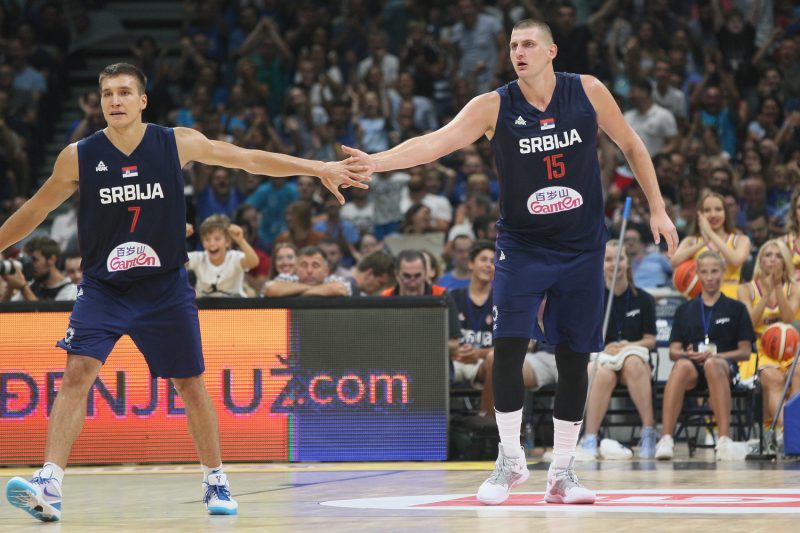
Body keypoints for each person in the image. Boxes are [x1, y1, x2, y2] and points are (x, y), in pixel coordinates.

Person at [0, 62, 368, 522]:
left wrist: (317, 167)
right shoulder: (79, 156)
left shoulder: (176, 143)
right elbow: (36, 209)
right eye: (107, 94)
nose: (115, 101)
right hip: (104, 288)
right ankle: (49, 482)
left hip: (164, 287)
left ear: (142, 101)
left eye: (124, 92)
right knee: (76, 372)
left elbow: (249, 158)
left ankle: (215, 479)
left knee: (189, 384)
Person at [344, 19, 678, 505]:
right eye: (513, 45)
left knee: (573, 357)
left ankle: (562, 472)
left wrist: (658, 208)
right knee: (507, 348)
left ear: (551, 51)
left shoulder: (587, 91)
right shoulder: (494, 105)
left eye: (528, 44)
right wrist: (377, 161)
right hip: (522, 245)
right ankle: (510, 459)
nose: (519, 52)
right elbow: (436, 141)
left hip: (582, 245)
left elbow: (631, 143)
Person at [656, 251, 755, 461]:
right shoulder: (684, 309)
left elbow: (745, 352)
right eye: (705, 272)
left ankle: (724, 440)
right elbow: (673, 352)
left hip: (724, 367)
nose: (710, 277)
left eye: (714, 271)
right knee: (681, 366)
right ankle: (666, 439)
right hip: (693, 366)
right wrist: (687, 354)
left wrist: (717, 356)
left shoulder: (737, 308)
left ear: (723, 272)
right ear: (698, 274)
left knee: (713, 364)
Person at [577, 240, 658, 460]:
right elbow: (585, 337)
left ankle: (649, 432)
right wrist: (605, 347)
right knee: (600, 373)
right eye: (608, 259)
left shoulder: (644, 299)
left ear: (628, 262)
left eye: (619, 258)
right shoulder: (593, 299)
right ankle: (590, 437)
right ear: (601, 264)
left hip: (633, 356)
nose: (615, 264)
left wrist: (628, 346)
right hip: (605, 357)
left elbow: (651, 340)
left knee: (633, 363)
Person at [737, 239, 800, 438]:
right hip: (760, 347)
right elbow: (750, 322)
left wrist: (777, 288)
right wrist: (765, 295)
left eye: (778, 256)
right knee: (774, 378)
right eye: (768, 255)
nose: (772, 260)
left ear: (785, 261)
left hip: (788, 346)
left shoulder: (794, 288)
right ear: (760, 260)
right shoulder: (746, 289)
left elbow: (788, 318)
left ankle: (793, 429)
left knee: (798, 373)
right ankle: (788, 433)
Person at [671, 192, 751, 299]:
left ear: (725, 213)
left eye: (718, 209)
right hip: (701, 298)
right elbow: (675, 261)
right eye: (707, 210)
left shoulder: (741, 240)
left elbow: (735, 260)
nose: (713, 215)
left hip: (731, 298)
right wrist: (703, 243)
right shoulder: (691, 241)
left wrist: (710, 233)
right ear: (700, 215)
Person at [186, 214, 259, 298]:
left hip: (234, 305)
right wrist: (179, 238)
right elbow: (176, 261)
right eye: (207, 239)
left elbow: (254, 262)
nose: (212, 243)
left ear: (227, 242)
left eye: (217, 239)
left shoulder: (234, 258)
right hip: (206, 305)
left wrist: (241, 241)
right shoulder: (199, 258)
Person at [1, 236, 78, 301]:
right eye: (28, 260)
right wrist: (10, 287)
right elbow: (6, 310)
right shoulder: (32, 286)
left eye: (34, 260)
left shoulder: (71, 290)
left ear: (52, 259)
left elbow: (49, 314)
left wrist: (24, 288)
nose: (30, 265)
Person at [262, 245, 352, 297]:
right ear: (296, 269)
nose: (309, 270)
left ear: (326, 271)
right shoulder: (287, 279)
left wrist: (295, 293)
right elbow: (270, 289)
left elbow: (339, 289)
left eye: (315, 265)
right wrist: (316, 289)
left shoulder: (332, 280)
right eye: (304, 265)